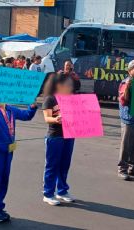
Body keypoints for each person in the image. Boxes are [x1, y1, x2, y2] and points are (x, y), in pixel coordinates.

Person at [41, 73, 77, 206]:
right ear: (58, 85)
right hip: (55, 136)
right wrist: (55, 119)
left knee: (64, 164)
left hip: (69, 135)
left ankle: (62, 191)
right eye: (67, 84)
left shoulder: (70, 98)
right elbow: (47, 118)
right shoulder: (50, 99)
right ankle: (48, 193)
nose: (70, 87)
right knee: (52, 165)